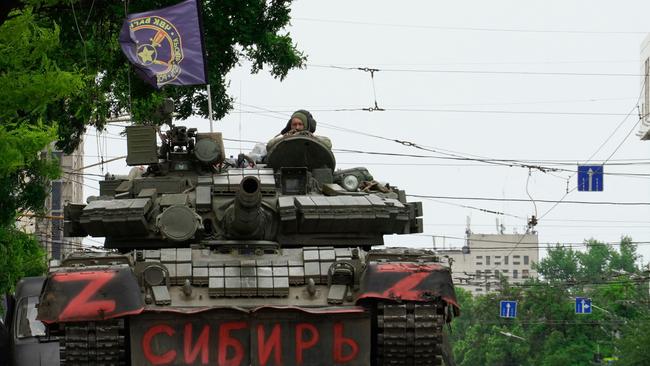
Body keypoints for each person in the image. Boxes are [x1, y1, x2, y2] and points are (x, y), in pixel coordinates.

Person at [266, 110, 331, 151]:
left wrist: (313, 138)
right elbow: (269, 146)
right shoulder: (285, 138)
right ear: (290, 126)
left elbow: (328, 144)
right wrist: (284, 138)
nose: (297, 127)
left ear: (306, 125)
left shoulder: (313, 138)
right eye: (294, 124)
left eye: (300, 124)